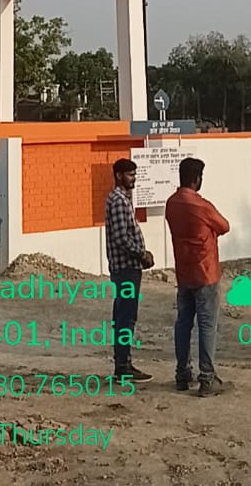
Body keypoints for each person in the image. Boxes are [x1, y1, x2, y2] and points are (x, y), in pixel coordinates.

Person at [165, 156, 231, 397]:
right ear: (196, 179)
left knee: (183, 323)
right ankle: (207, 378)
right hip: (205, 272)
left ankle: (182, 373)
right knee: (206, 326)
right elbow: (224, 226)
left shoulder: (171, 203)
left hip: (184, 272)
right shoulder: (202, 206)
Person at [104, 159, 154, 384]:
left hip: (128, 267)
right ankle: (123, 366)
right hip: (125, 268)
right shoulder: (118, 200)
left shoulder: (123, 199)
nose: (133, 179)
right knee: (126, 317)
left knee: (124, 316)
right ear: (118, 175)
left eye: (134, 175)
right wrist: (142, 254)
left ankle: (123, 363)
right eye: (129, 175)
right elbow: (121, 238)